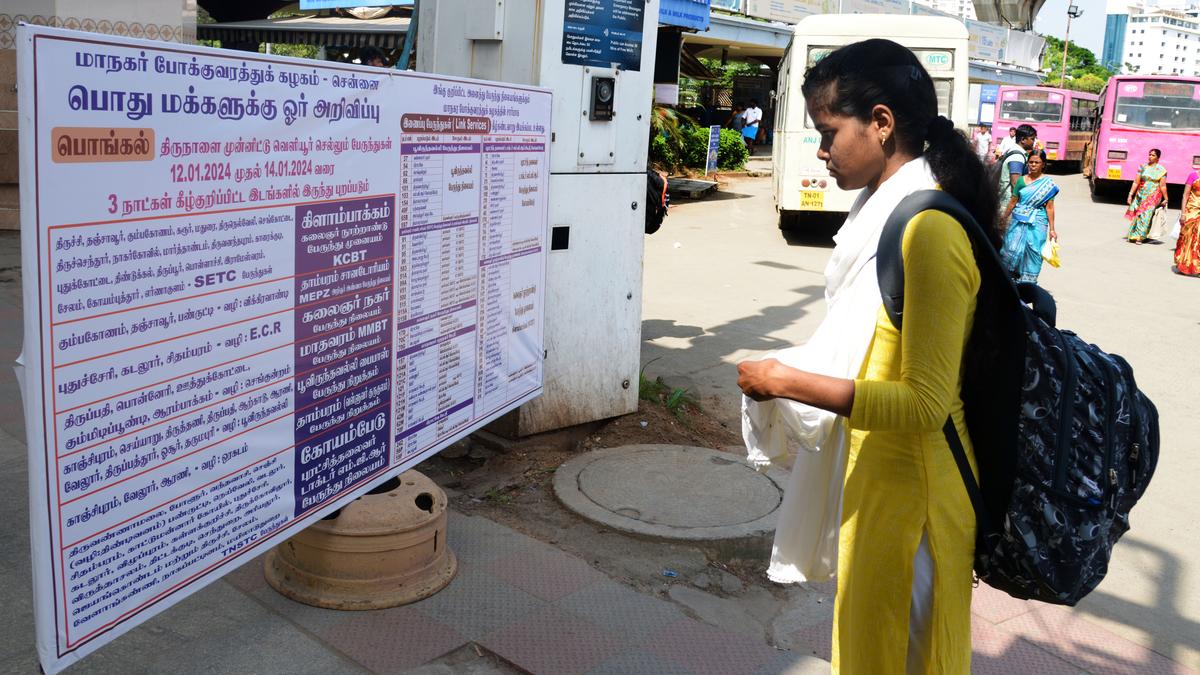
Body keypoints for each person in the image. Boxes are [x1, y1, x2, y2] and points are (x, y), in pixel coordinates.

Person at [737, 38, 998, 673]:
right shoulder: (880, 212)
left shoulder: (929, 229)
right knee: (866, 649)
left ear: (881, 123)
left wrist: (788, 381)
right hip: (881, 479)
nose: (820, 151)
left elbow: (925, 403)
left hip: (921, 501)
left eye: (828, 132)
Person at [999, 151, 1058, 284]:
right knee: (1011, 248)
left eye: (1036, 162)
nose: (1033, 165)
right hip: (1018, 220)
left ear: (1043, 164)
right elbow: (1013, 202)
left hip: (1038, 222)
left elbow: (1049, 207)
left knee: (1034, 251)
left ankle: (1028, 283)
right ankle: (1009, 280)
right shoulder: (1021, 180)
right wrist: (1003, 219)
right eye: (1031, 162)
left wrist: (1052, 229)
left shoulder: (1048, 185)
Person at [1126, 149, 1168, 244]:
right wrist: (1130, 194)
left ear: (1158, 157)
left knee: (1147, 215)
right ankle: (1136, 234)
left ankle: (1140, 237)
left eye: (1153, 155)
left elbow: (1162, 186)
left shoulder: (1162, 170)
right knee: (1139, 215)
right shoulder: (1142, 167)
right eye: (1149, 154)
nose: (1150, 156)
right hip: (1140, 194)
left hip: (1153, 196)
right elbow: (1136, 182)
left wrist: (1166, 198)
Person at [997, 124, 1036, 201]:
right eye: (1032, 139)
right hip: (1009, 202)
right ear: (1023, 140)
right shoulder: (1017, 157)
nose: (1033, 142)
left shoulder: (1014, 150)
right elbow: (1015, 184)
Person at [1173, 167, 1200, 275]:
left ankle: (1197, 266)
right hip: (1191, 210)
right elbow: (1185, 195)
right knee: (1186, 237)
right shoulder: (1193, 175)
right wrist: (1183, 213)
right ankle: (1184, 263)